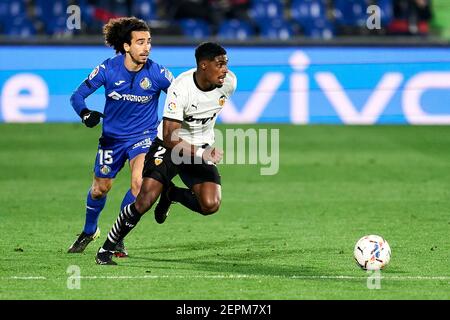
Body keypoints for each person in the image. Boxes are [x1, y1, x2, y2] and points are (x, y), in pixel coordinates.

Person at [95, 42, 237, 265]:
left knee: (210, 205)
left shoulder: (229, 83)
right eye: (219, 65)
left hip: (198, 149)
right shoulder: (180, 88)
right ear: (203, 66)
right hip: (169, 146)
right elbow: (171, 137)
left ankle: (171, 195)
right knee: (144, 200)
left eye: (226, 64)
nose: (225, 70)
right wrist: (202, 152)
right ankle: (106, 249)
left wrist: (201, 150)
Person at [68, 17, 173, 257]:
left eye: (148, 42)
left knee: (139, 185)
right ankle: (89, 230)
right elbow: (77, 95)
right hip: (112, 140)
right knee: (99, 189)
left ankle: (116, 237)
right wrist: (85, 114)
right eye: (140, 42)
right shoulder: (108, 68)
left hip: (144, 137)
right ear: (126, 46)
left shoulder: (158, 73)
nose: (146, 47)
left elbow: (180, 96)